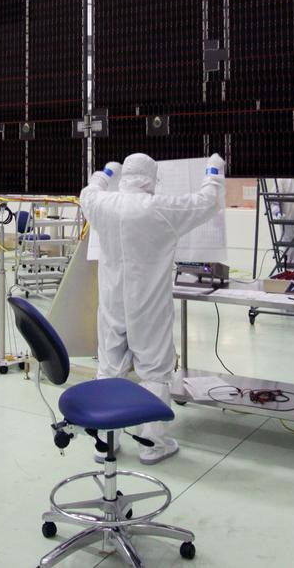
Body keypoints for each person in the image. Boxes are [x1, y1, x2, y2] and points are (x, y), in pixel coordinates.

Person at [79, 152, 226, 464]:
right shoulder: (160, 208)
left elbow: (88, 191)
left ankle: (106, 442)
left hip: (112, 302)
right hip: (148, 306)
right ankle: (152, 445)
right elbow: (208, 200)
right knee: (154, 373)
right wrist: (214, 168)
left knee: (109, 368)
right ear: (152, 178)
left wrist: (106, 172)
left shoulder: (102, 204)